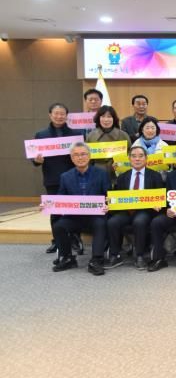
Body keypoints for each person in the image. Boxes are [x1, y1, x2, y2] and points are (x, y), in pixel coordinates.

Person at [50, 142, 110, 275]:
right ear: (71, 158)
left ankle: (96, 260)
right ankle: (67, 258)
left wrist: (108, 205)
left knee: (100, 224)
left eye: (83, 154)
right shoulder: (65, 176)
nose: (80, 157)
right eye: (76, 155)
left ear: (89, 156)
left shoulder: (102, 174)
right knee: (59, 226)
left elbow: (108, 195)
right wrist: (49, 205)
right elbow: (60, 198)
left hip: (95, 215)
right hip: (74, 217)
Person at [33, 103, 83, 254]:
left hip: (74, 178)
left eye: (62, 114)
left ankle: (74, 239)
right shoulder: (41, 135)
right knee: (55, 212)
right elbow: (35, 159)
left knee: (75, 210)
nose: (59, 116)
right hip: (52, 178)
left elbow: (83, 155)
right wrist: (37, 160)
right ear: (50, 115)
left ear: (66, 116)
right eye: (56, 113)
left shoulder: (76, 134)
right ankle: (57, 241)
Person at [106, 146, 165, 271]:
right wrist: (110, 204)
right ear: (129, 159)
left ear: (146, 158)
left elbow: (161, 197)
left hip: (145, 211)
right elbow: (117, 198)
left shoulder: (155, 176)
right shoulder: (122, 177)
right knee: (112, 222)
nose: (137, 159)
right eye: (134, 156)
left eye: (140, 156)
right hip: (126, 211)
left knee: (140, 221)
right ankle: (115, 255)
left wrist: (158, 204)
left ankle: (140, 255)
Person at [85, 105, 131, 181]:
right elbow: (87, 158)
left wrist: (121, 164)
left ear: (114, 119)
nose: (106, 120)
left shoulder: (123, 135)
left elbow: (130, 154)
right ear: (98, 118)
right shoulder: (91, 136)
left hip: (119, 174)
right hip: (96, 175)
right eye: (103, 116)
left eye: (109, 117)